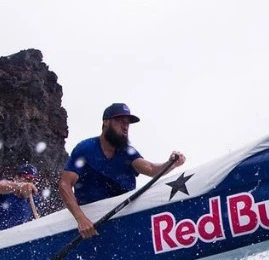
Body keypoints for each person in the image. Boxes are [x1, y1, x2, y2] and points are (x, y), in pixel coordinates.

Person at [60, 102, 185, 239]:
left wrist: (171, 163)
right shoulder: (85, 149)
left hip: (122, 218)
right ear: (106, 122)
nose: (125, 127)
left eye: (127, 123)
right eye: (120, 121)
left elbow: (151, 169)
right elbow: (65, 185)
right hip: (92, 224)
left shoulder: (127, 152)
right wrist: (81, 220)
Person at [0, 163, 42, 240]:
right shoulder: (3, 193)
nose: (30, 184)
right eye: (27, 178)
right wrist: (20, 186)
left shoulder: (34, 201)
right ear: (16, 178)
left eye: (33, 181)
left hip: (12, 243)